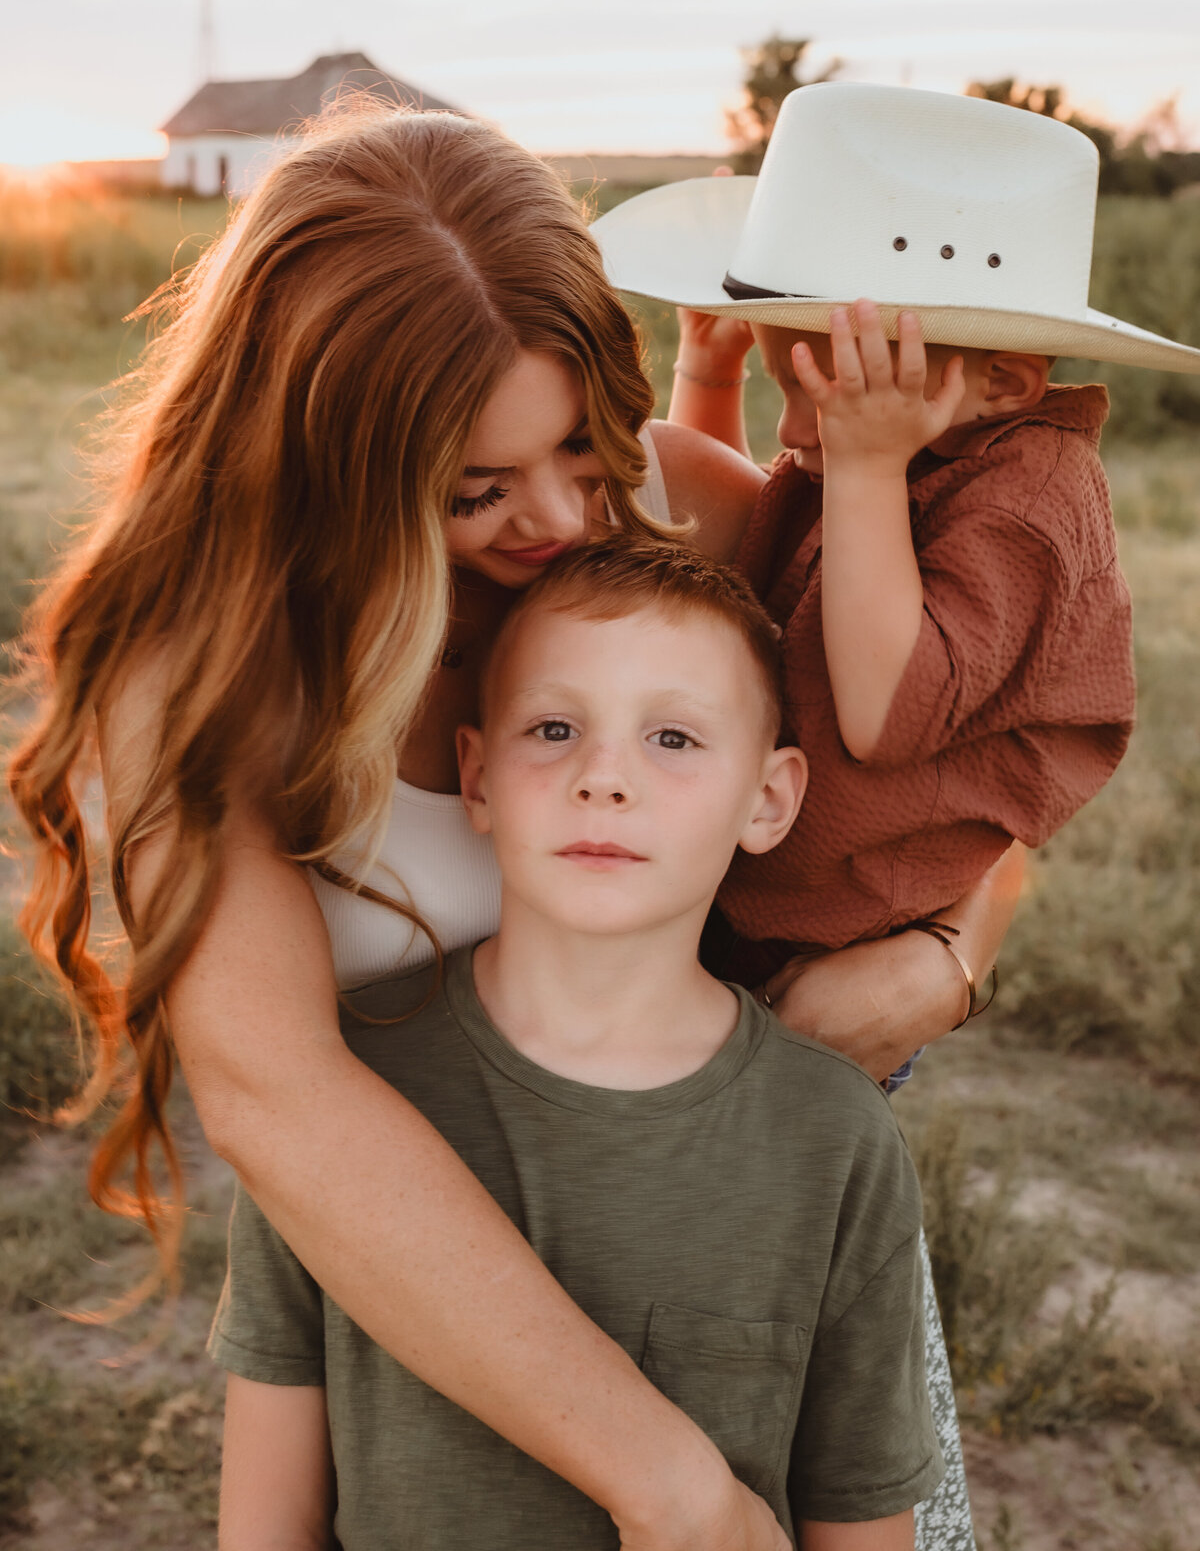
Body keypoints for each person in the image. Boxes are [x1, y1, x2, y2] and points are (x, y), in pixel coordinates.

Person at [8, 101, 1012, 1551]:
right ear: (325, 467)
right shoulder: (213, 674)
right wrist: (670, 1493)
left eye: (582, 450)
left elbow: (963, 775)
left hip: (745, 1285)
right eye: (474, 488)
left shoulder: (681, 519)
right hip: (426, 1334)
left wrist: (947, 955)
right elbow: (279, 1096)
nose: (558, 517)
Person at [213, 539, 943, 1551]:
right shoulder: (344, 1084)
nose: (605, 778)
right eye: (554, 728)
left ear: (769, 799)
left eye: (676, 740)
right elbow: (267, 1521)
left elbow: (859, 1524)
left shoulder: (833, 1136)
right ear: (475, 774)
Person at [593, 80, 1200, 991]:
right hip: (750, 902)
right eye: (781, 383)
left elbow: (886, 715)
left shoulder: (1028, 501)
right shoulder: (880, 448)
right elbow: (740, 560)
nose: (795, 429)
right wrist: (711, 376)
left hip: (829, 947)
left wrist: (867, 464)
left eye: (827, 395)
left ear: (1002, 382)